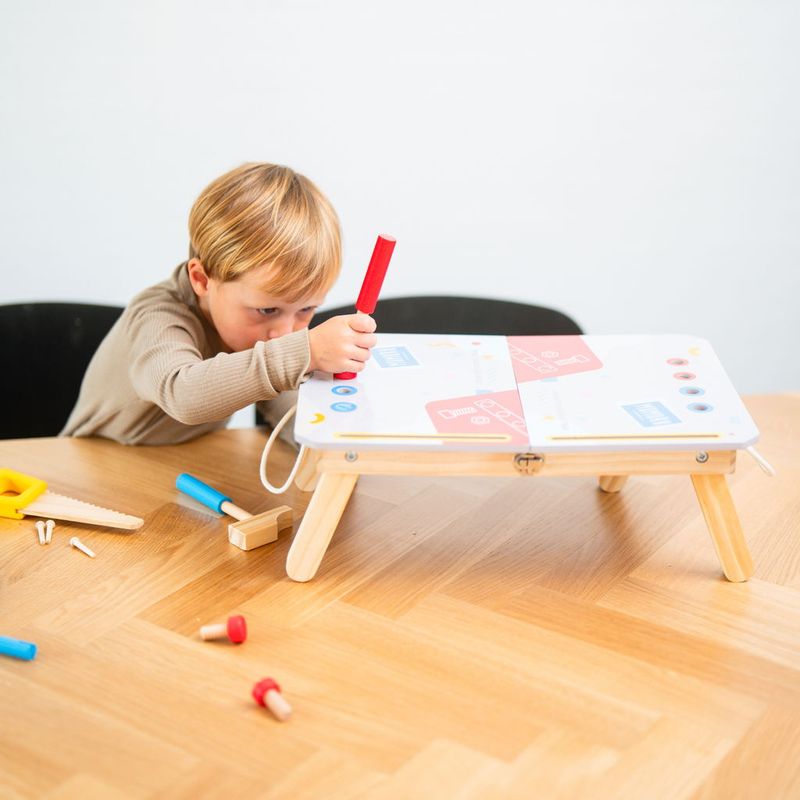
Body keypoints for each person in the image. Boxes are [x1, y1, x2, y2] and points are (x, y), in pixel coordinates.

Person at [61, 162, 376, 445]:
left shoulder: (250, 328)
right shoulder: (156, 314)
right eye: (267, 310)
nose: (284, 332)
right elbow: (183, 394)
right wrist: (306, 351)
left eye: (306, 310)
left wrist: (328, 441)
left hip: (177, 466)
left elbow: (280, 398)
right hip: (88, 470)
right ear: (201, 279)